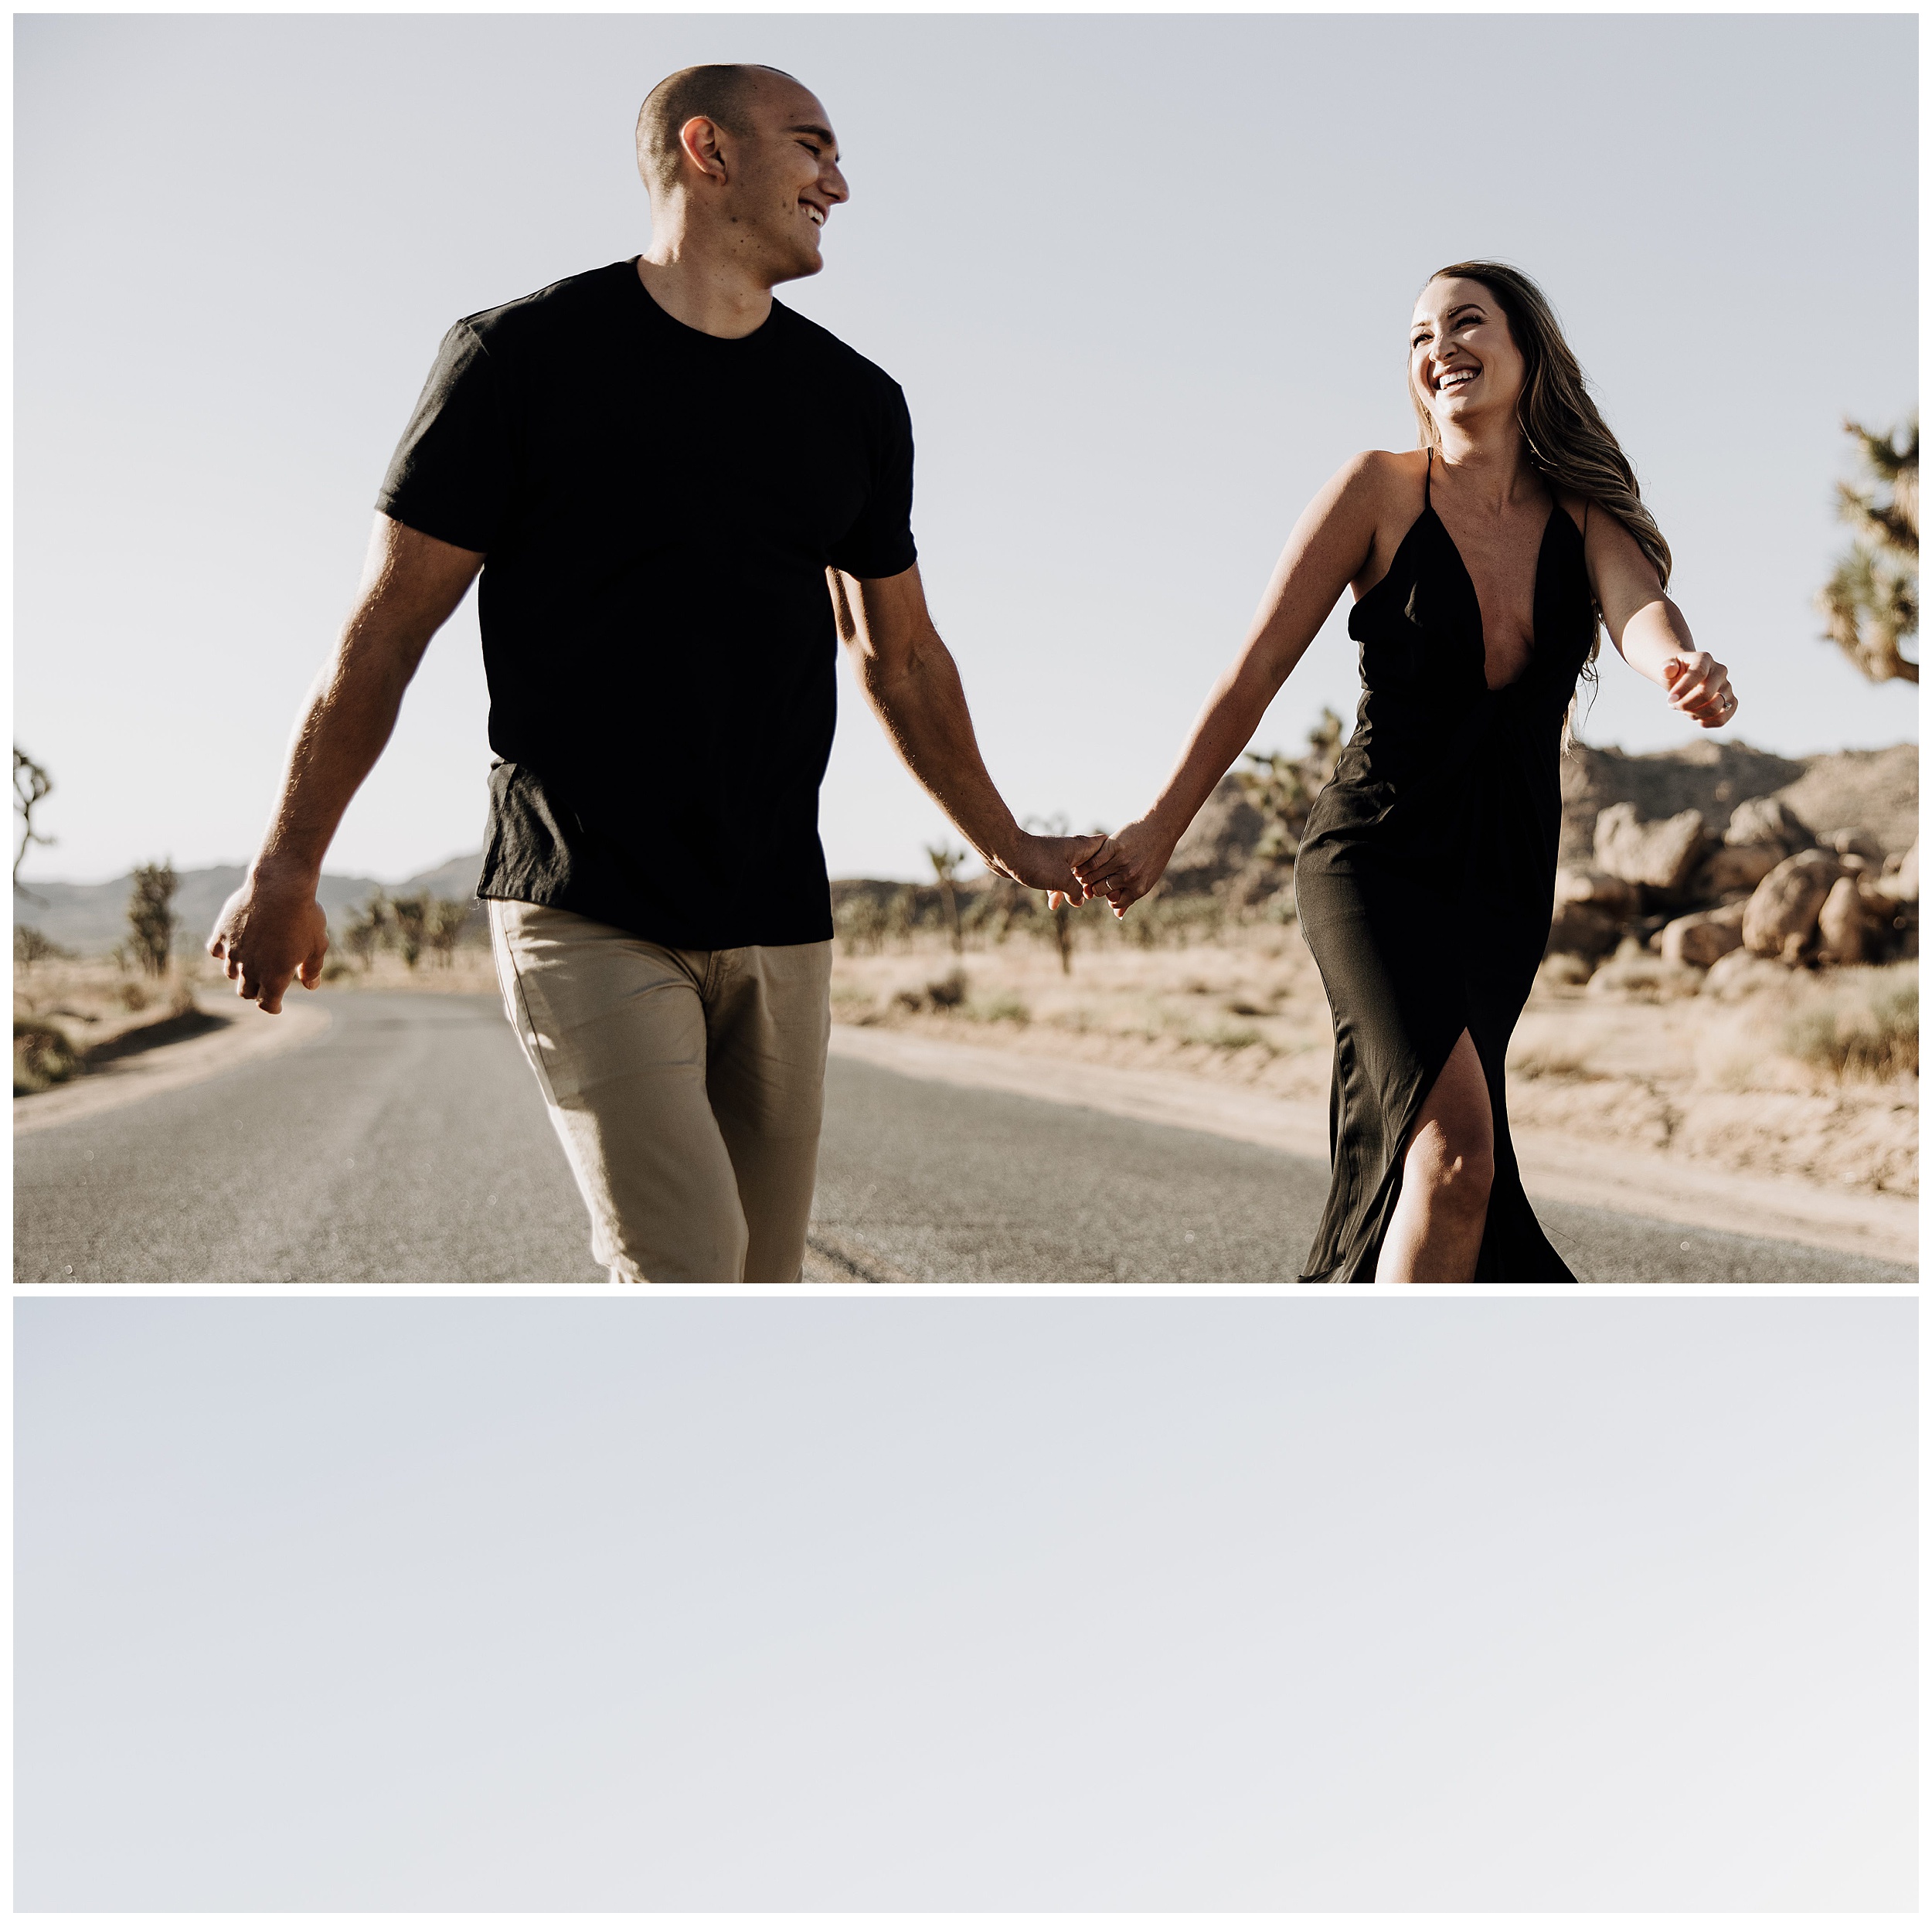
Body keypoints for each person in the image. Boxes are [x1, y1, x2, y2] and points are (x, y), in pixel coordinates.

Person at [206, 64, 1096, 1287]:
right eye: (812, 147)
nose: (839, 182)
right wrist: (286, 866)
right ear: (707, 151)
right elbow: (383, 635)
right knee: (684, 1267)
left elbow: (904, 658)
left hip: (781, 912)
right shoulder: (515, 360)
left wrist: (1011, 842)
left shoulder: (855, 405)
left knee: (762, 1285)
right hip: (584, 901)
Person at [1082, 263, 1737, 1286]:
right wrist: (1163, 827)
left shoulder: (1581, 518)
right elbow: (1255, 667)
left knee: (1422, 1170)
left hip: (1505, 878)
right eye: (1420, 337)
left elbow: (1641, 610)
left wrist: (1680, 667)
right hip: (1376, 858)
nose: (1438, 349)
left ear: (1528, 350)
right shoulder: (1379, 490)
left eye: (1465, 323)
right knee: (1456, 1156)